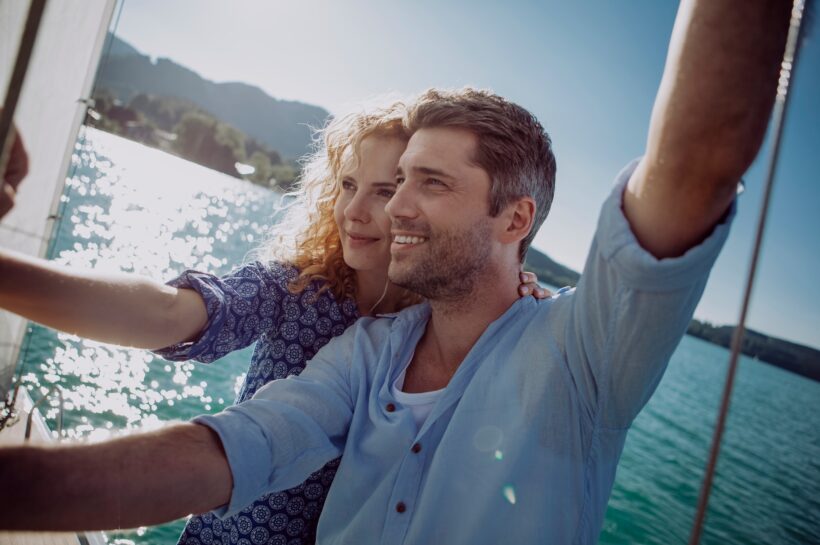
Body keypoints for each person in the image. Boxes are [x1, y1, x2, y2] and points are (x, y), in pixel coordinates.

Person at [0, 0, 791, 542]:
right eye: (391, 179)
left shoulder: (583, 355)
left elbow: (696, 164)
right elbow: (235, 446)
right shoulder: (365, 346)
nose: (391, 210)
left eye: (429, 183)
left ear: (516, 219)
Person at [0, 101, 546, 544]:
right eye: (348, 185)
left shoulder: (440, 326)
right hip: (226, 533)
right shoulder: (298, 286)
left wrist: (522, 295)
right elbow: (170, 313)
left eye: (385, 190)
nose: (353, 212)